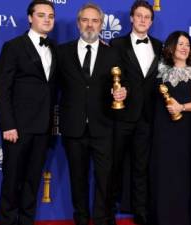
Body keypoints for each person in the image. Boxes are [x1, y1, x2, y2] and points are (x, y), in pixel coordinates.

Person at [57, 3, 125, 225]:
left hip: (103, 125)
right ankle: (81, 219)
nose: (90, 24)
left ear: (101, 24)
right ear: (78, 23)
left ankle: (102, 219)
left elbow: (123, 84)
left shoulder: (113, 52)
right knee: (78, 179)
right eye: (85, 20)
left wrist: (123, 92)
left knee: (104, 179)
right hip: (73, 126)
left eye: (95, 20)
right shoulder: (62, 51)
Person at [0, 1, 56, 225]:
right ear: (30, 18)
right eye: (41, 15)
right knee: (12, 183)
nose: (47, 19)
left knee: (32, 183)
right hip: (17, 129)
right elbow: (2, 89)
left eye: (51, 15)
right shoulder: (14, 47)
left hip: (43, 128)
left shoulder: (55, 48)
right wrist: (8, 124)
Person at [109, 1, 162, 224]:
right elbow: (108, 76)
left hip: (148, 116)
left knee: (141, 166)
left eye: (146, 17)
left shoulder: (160, 46)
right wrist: (114, 90)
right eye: (138, 16)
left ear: (151, 21)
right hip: (122, 115)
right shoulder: (116, 44)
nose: (142, 20)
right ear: (131, 18)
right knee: (114, 165)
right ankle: (108, 211)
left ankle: (140, 212)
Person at [149, 31, 191, 225]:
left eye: (187, 45)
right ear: (171, 47)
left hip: (188, 132)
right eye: (180, 44)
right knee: (167, 174)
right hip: (165, 133)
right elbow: (155, 104)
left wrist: (181, 107)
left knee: (185, 174)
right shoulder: (161, 71)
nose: (184, 48)